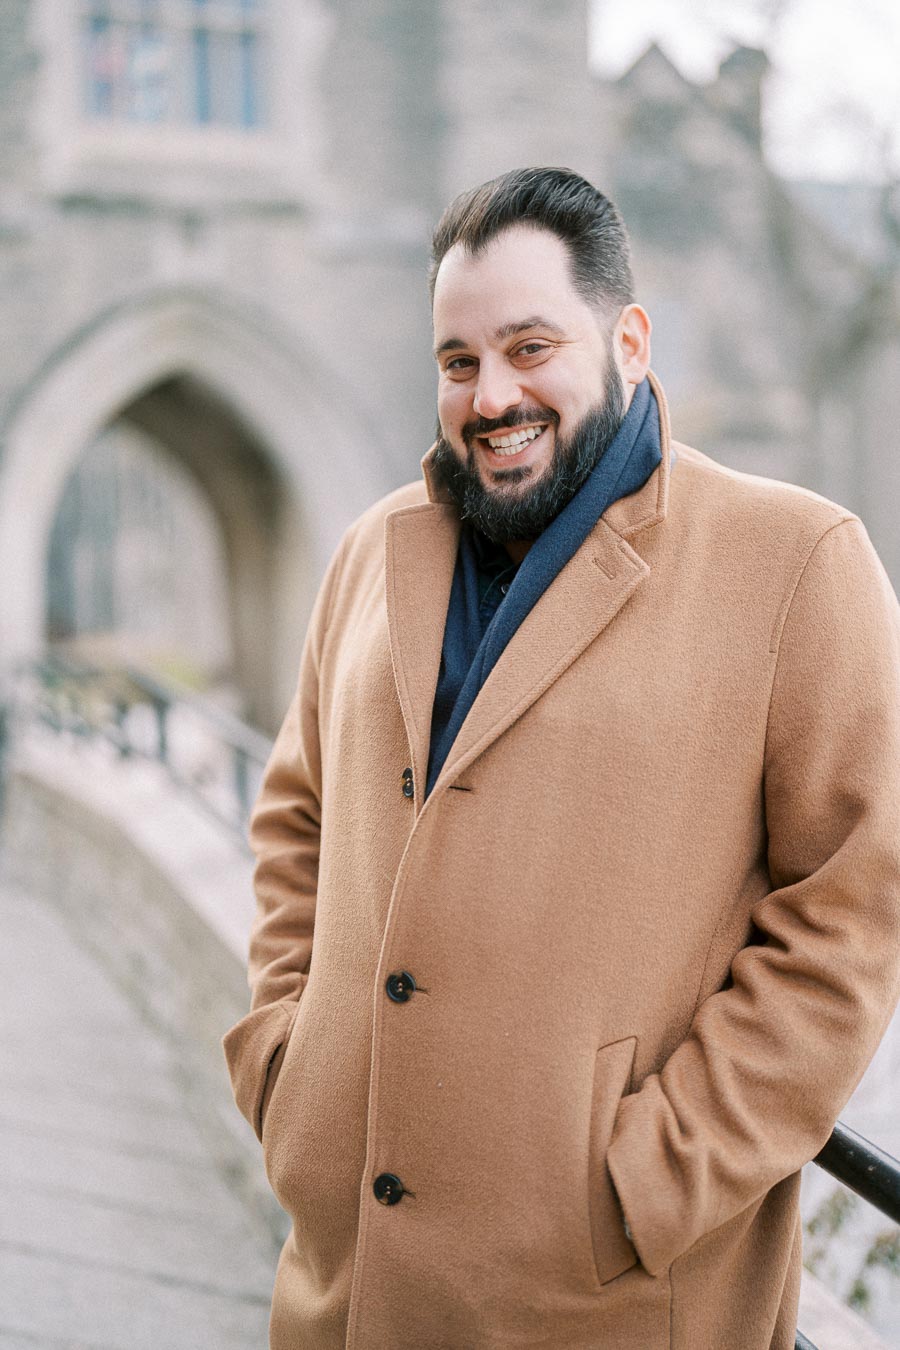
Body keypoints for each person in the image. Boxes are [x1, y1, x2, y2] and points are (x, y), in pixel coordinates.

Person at [223, 166, 900, 1350]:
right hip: (342, 1288)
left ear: (629, 339)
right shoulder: (371, 552)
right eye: (457, 361)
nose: (492, 394)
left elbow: (850, 913)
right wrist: (292, 1069)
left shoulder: (796, 562)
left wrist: (658, 1175)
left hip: (607, 1299)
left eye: (531, 347)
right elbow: (296, 822)